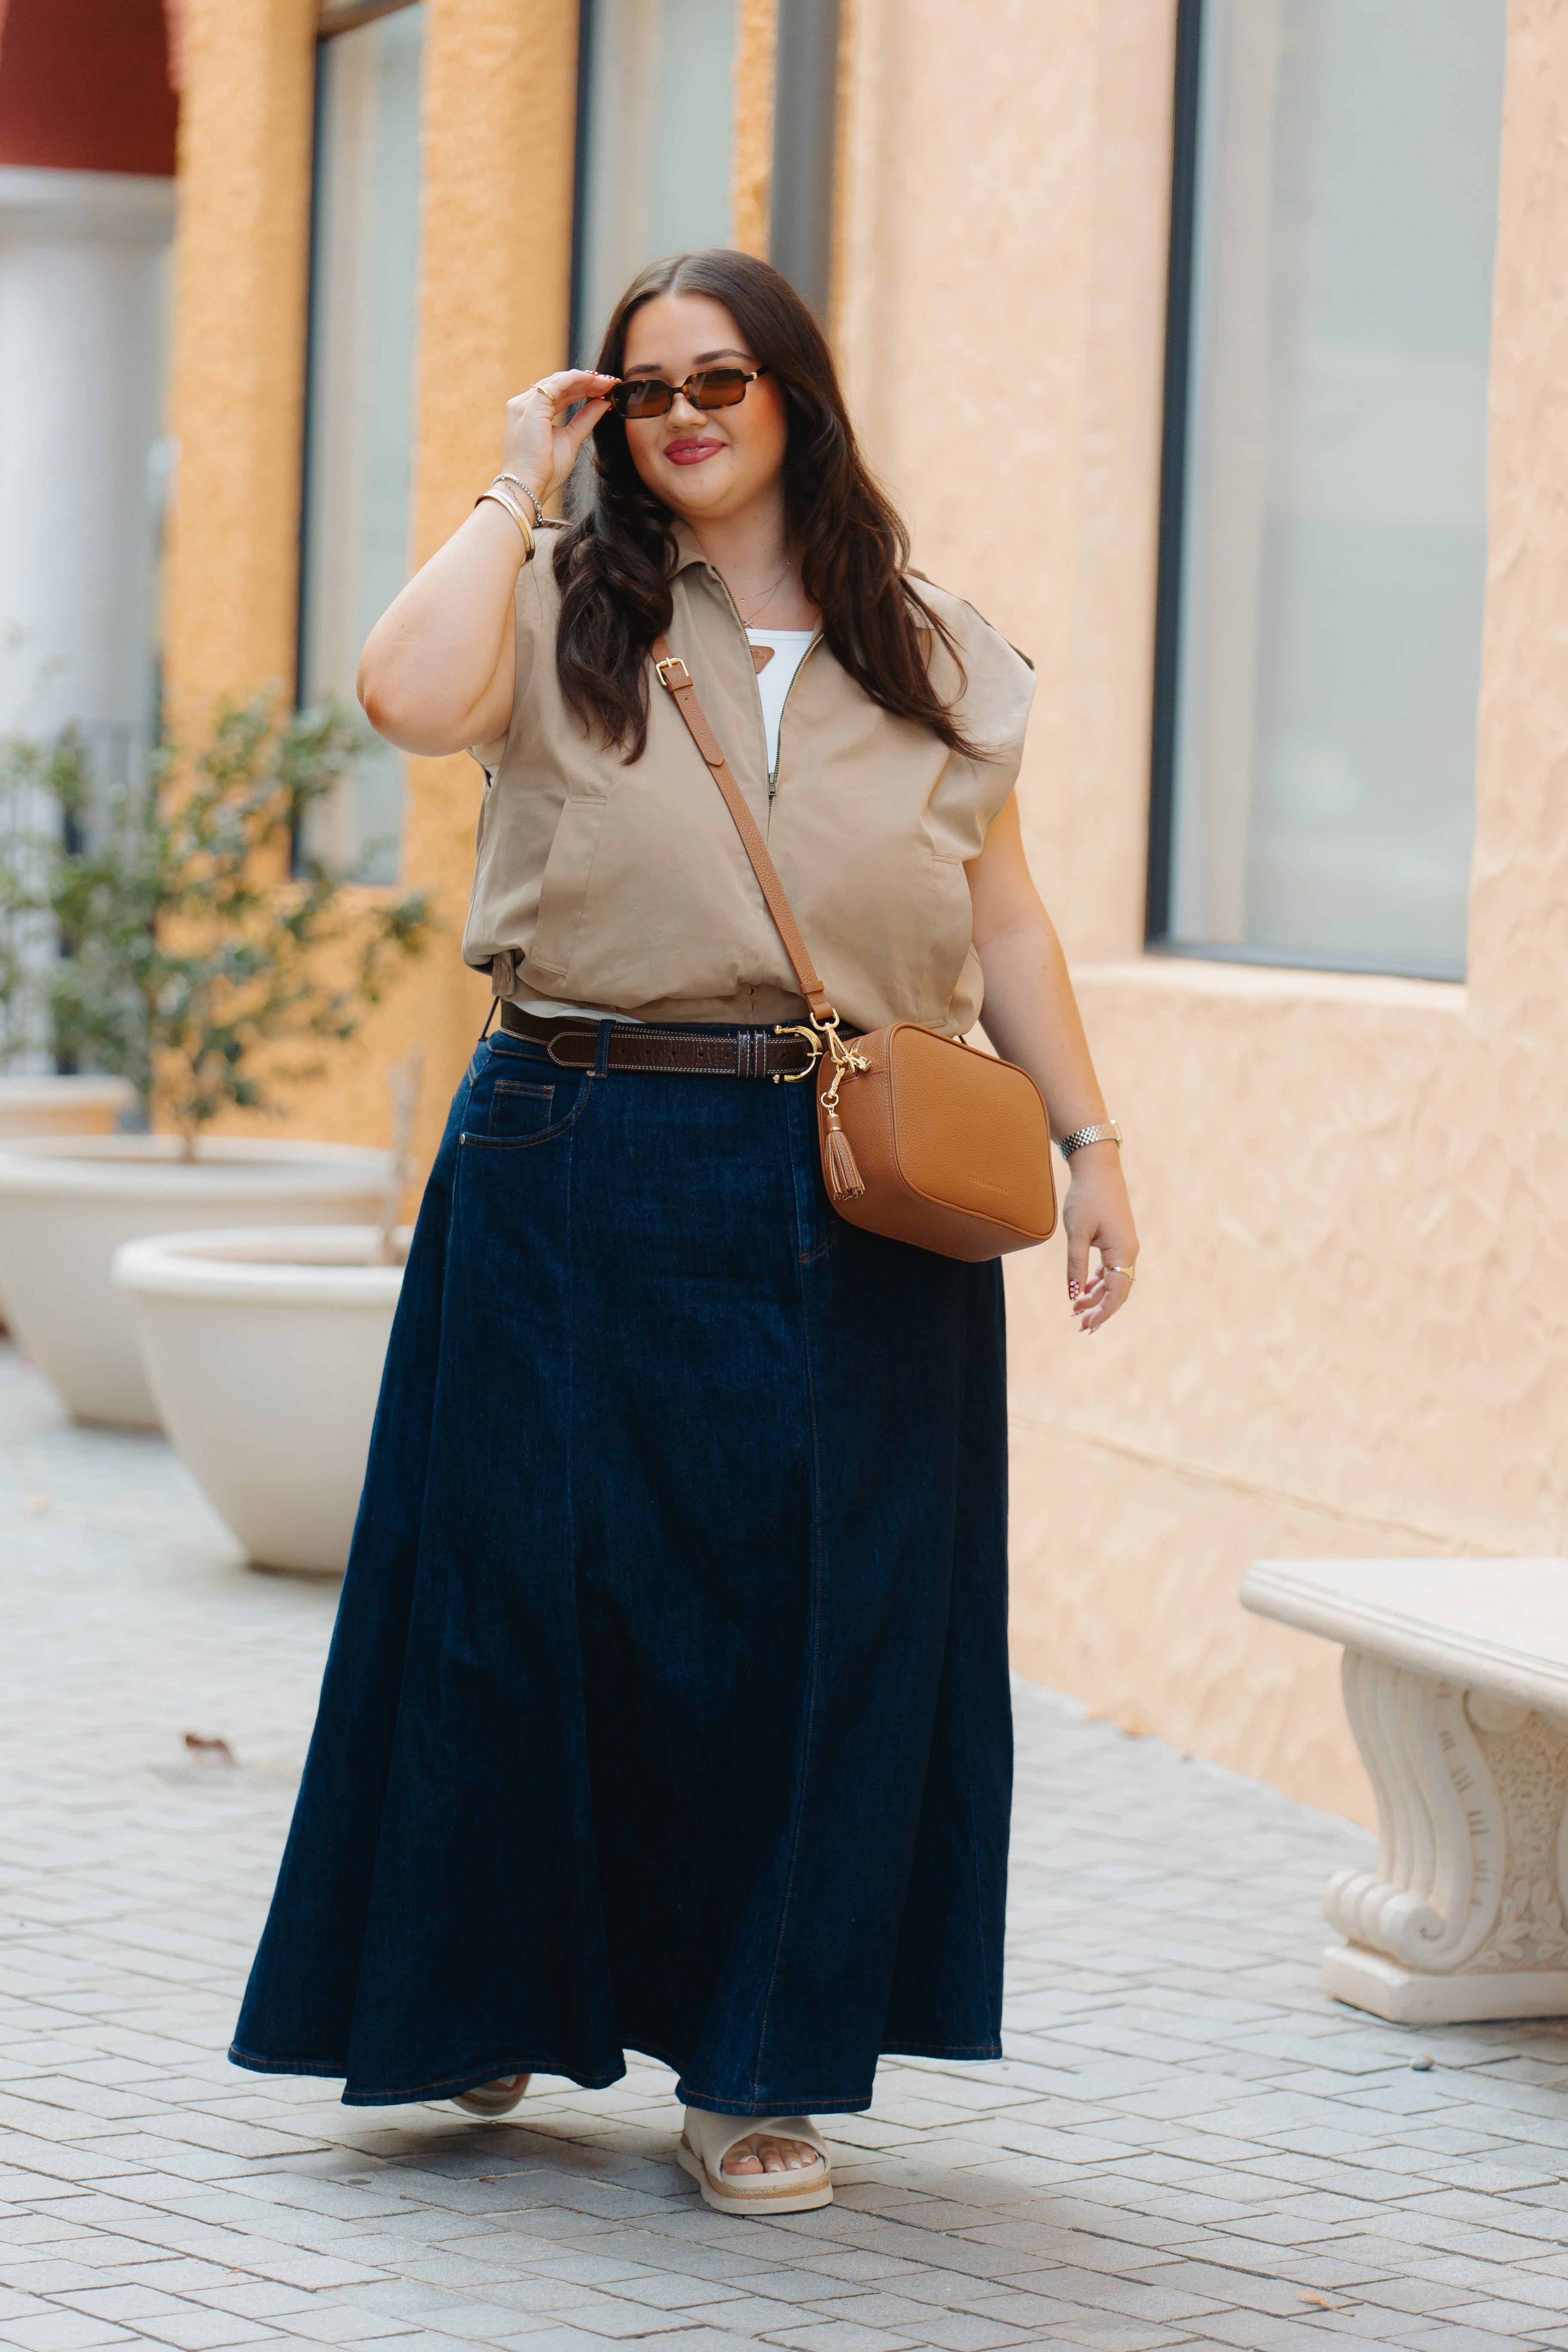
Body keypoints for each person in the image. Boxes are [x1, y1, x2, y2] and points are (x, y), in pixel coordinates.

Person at [228, 248, 1138, 2215]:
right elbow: (401, 695)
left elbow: (1001, 920)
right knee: (517, 1589)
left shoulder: (941, 650)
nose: (685, 416)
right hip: (571, 1137)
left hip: (850, 1174)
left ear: (797, 393)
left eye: (722, 378)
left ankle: (758, 2069)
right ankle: (475, 1992)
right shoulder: (562, 595)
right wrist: (516, 477)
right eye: (645, 390)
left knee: (825, 1620)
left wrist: (1090, 1140)